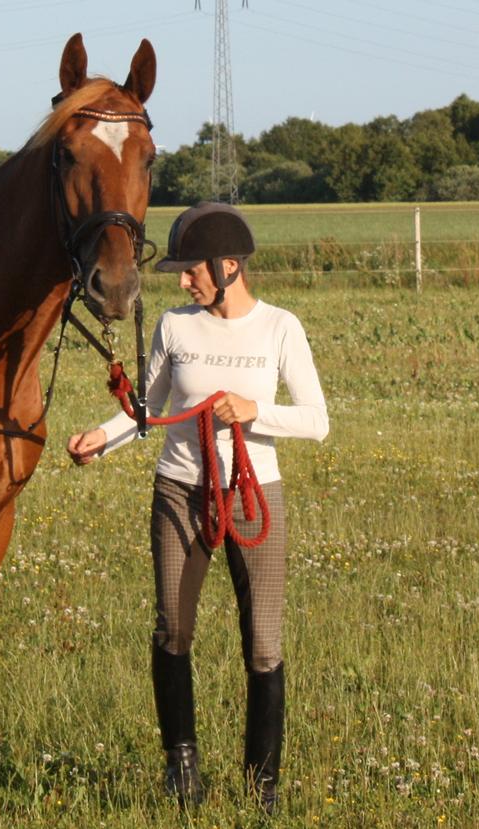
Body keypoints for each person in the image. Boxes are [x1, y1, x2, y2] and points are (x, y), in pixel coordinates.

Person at [67, 202, 329, 812]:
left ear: (229, 265)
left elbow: (318, 420)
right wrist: (100, 441)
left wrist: (254, 411)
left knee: (263, 644)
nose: (184, 281)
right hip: (179, 492)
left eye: (193, 271)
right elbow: (148, 414)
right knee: (172, 630)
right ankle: (180, 764)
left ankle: (262, 781)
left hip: (254, 493)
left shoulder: (280, 328)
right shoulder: (175, 327)